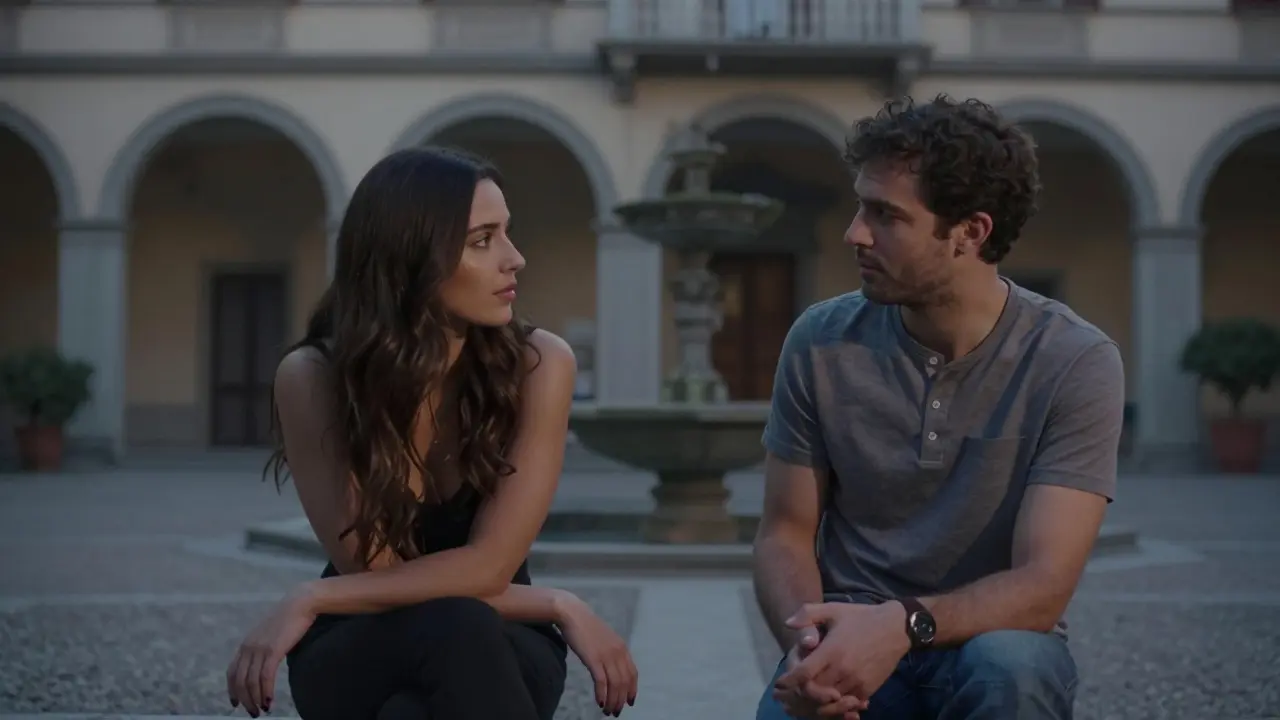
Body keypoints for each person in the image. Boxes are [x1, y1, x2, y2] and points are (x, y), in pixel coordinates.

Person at [224, 147, 639, 720]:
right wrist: (557, 602)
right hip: (365, 641)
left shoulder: (539, 363)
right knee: (452, 628)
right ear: (409, 258)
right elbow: (372, 572)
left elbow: (491, 567)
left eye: (507, 234)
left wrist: (312, 594)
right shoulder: (313, 377)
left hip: (506, 635)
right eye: (482, 240)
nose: (514, 259)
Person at [752, 95, 1124, 720]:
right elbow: (784, 533)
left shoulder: (1073, 360)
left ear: (970, 232)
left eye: (885, 215)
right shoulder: (821, 340)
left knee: (1013, 667)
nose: (854, 233)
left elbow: (1044, 586)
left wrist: (900, 626)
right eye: (858, 206)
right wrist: (811, 648)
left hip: (989, 644)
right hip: (847, 628)